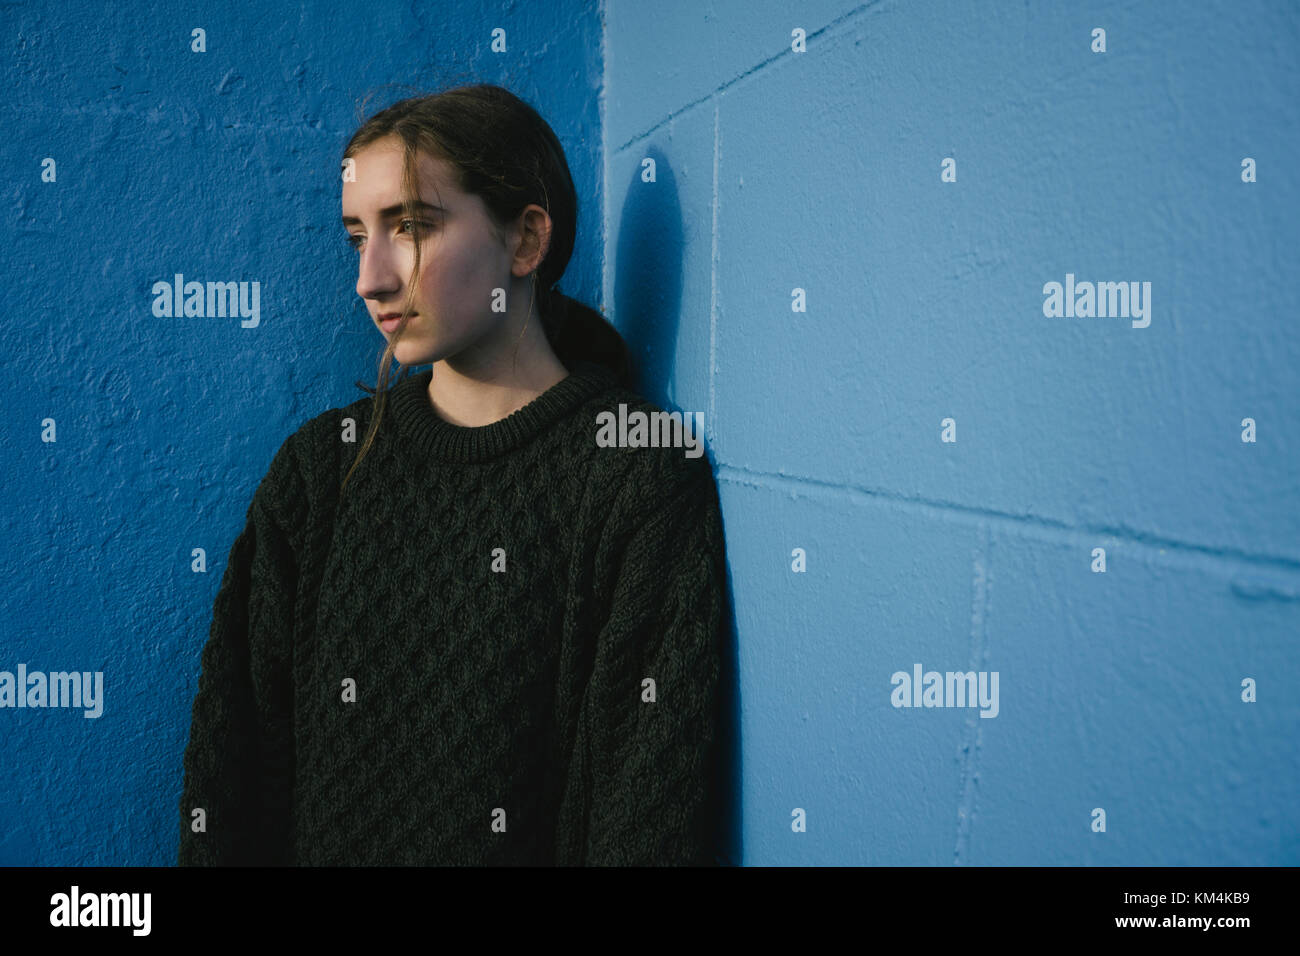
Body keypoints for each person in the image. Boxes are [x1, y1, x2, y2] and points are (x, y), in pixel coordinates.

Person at [175, 83, 731, 866]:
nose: (370, 278)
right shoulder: (318, 470)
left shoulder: (635, 476)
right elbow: (229, 771)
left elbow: (646, 816)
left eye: (410, 226)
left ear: (526, 242)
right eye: (357, 236)